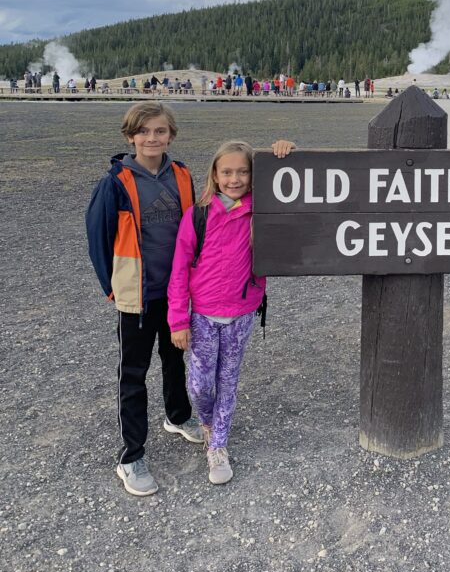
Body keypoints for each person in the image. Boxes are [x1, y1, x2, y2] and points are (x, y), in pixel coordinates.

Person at [86, 101, 204, 497]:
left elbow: (199, 224)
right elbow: (98, 239)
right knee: (133, 373)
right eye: (144, 132)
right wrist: (112, 286)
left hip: (176, 291)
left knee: (175, 358)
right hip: (137, 295)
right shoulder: (115, 182)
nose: (152, 138)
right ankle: (131, 456)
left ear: (170, 134)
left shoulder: (183, 175)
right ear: (130, 136)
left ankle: (177, 416)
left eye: (160, 131)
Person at [168, 139, 295, 485]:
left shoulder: (262, 210)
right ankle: (207, 422)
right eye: (227, 171)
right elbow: (179, 269)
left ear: (255, 175)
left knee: (228, 380)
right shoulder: (199, 214)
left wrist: (283, 151)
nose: (235, 178)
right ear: (215, 174)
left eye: (243, 171)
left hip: (242, 312)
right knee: (199, 384)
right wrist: (178, 320)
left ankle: (218, 445)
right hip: (203, 315)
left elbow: (297, 186)